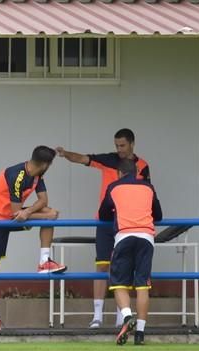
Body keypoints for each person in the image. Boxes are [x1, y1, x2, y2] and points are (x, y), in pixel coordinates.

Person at [56, 128, 150, 329]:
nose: (119, 149)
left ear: (132, 143)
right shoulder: (109, 160)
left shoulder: (143, 166)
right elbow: (83, 159)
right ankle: (97, 316)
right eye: (116, 145)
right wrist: (65, 154)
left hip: (129, 223)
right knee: (101, 266)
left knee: (125, 269)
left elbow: (148, 193)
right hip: (106, 223)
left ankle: (120, 317)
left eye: (122, 145)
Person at [0, 146, 67, 332]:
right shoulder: (17, 176)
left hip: (14, 215)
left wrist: (29, 211)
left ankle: (44, 261)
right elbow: (15, 214)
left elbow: (42, 201)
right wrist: (42, 216)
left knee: (49, 211)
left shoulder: (37, 175)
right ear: (45, 164)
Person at [98, 158, 162, 345]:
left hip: (124, 236)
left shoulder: (113, 187)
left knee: (118, 283)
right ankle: (140, 334)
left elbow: (103, 214)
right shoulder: (148, 187)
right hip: (146, 238)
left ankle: (127, 317)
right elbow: (158, 215)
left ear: (119, 173)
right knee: (143, 285)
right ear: (137, 172)